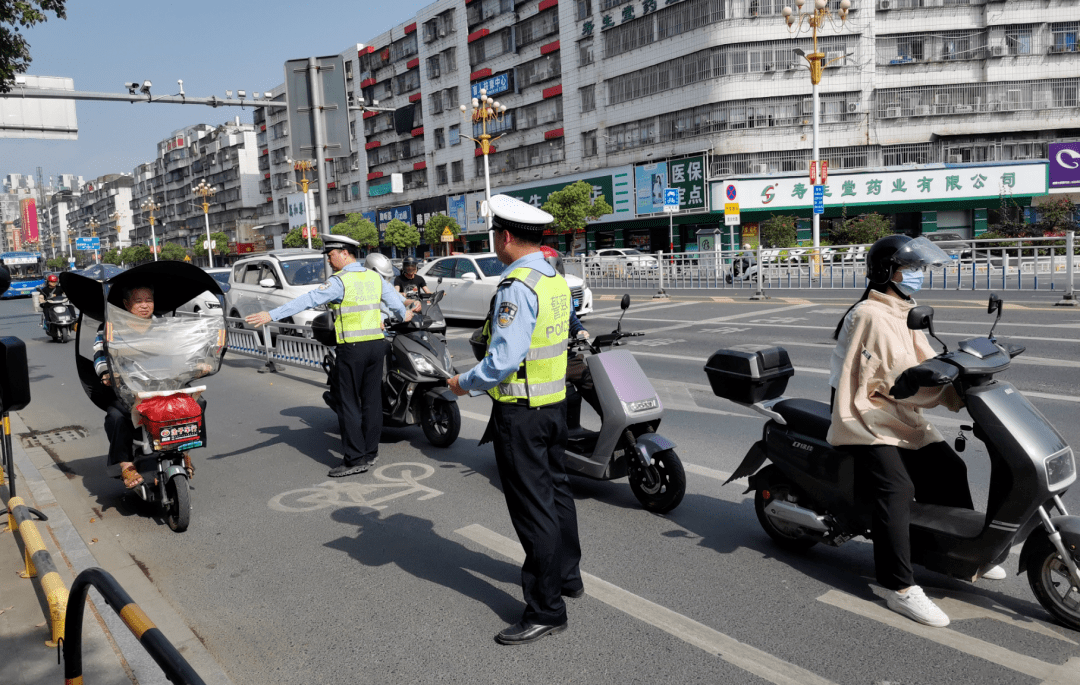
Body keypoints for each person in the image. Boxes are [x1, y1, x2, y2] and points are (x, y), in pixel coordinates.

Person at [827, 234, 1004, 629]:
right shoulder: (869, 315)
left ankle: (954, 549)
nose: (919, 275)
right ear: (887, 272)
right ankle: (898, 586)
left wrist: (965, 373)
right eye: (913, 269)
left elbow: (925, 358)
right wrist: (936, 387)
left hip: (898, 411)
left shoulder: (903, 309)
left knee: (949, 468)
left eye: (921, 269)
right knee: (897, 488)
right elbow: (887, 376)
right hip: (865, 415)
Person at [448, 195, 582, 646]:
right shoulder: (555, 279)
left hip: (522, 412)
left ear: (505, 237)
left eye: (494, 236)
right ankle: (567, 577)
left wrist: (462, 383)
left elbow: (502, 361)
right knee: (557, 493)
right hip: (555, 405)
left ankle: (546, 610)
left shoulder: (516, 286)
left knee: (533, 509)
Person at [246, 234, 411, 478]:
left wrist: (272, 315)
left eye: (332, 255)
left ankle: (355, 459)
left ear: (345, 253)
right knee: (372, 400)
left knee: (348, 403)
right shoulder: (374, 277)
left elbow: (308, 300)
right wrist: (403, 314)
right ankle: (370, 452)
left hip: (353, 348)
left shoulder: (340, 281)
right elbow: (397, 304)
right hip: (377, 345)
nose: (330, 261)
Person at [94, 285, 157, 489]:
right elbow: (100, 354)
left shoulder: (163, 326)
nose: (145, 305)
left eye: (148, 300)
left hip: (160, 385)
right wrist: (107, 373)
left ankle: (182, 451)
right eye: (139, 301)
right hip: (127, 390)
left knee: (195, 403)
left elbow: (181, 350)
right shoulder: (111, 327)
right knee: (116, 417)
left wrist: (197, 363)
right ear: (126, 304)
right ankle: (126, 465)